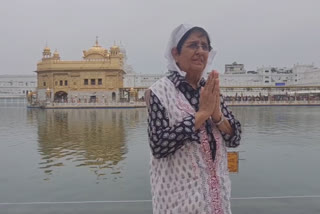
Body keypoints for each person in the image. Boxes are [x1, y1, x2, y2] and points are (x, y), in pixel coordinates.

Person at [145, 24, 242, 214]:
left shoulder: (210, 89)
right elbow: (159, 145)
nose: (200, 51)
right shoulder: (159, 92)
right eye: (193, 45)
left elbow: (234, 138)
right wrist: (201, 115)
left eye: (205, 46)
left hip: (217, 200)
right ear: (175, 53)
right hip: (178, 201)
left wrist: (217, 116)